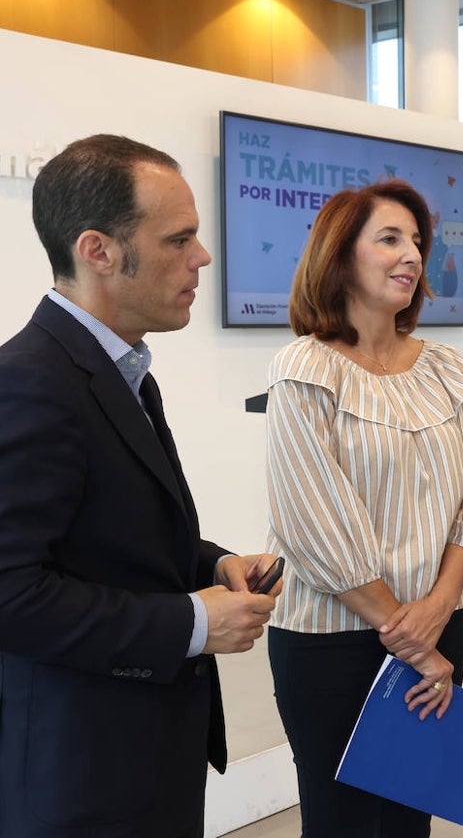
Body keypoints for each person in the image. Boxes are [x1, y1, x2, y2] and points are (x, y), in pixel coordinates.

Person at [0, 134, 279, 838]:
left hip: (138, 755)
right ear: (98, 250)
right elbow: (9, 591)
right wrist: (191, 623)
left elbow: (113, 535)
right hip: (81, 779)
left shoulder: (123, 371)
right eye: (179, 239)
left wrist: (211, 562)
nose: (202, 258)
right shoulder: (31, 382)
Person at [264, 179, 463, 837]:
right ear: (341, 255)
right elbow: (314, 530)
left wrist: (439, 608)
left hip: (439, 627)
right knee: (343, 821)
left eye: (417, 241)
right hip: (333, 643)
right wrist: (410, 639)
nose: (413, 255)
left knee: (408, 815)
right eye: (390, 239)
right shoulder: (304, 371)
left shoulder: (444, 369)